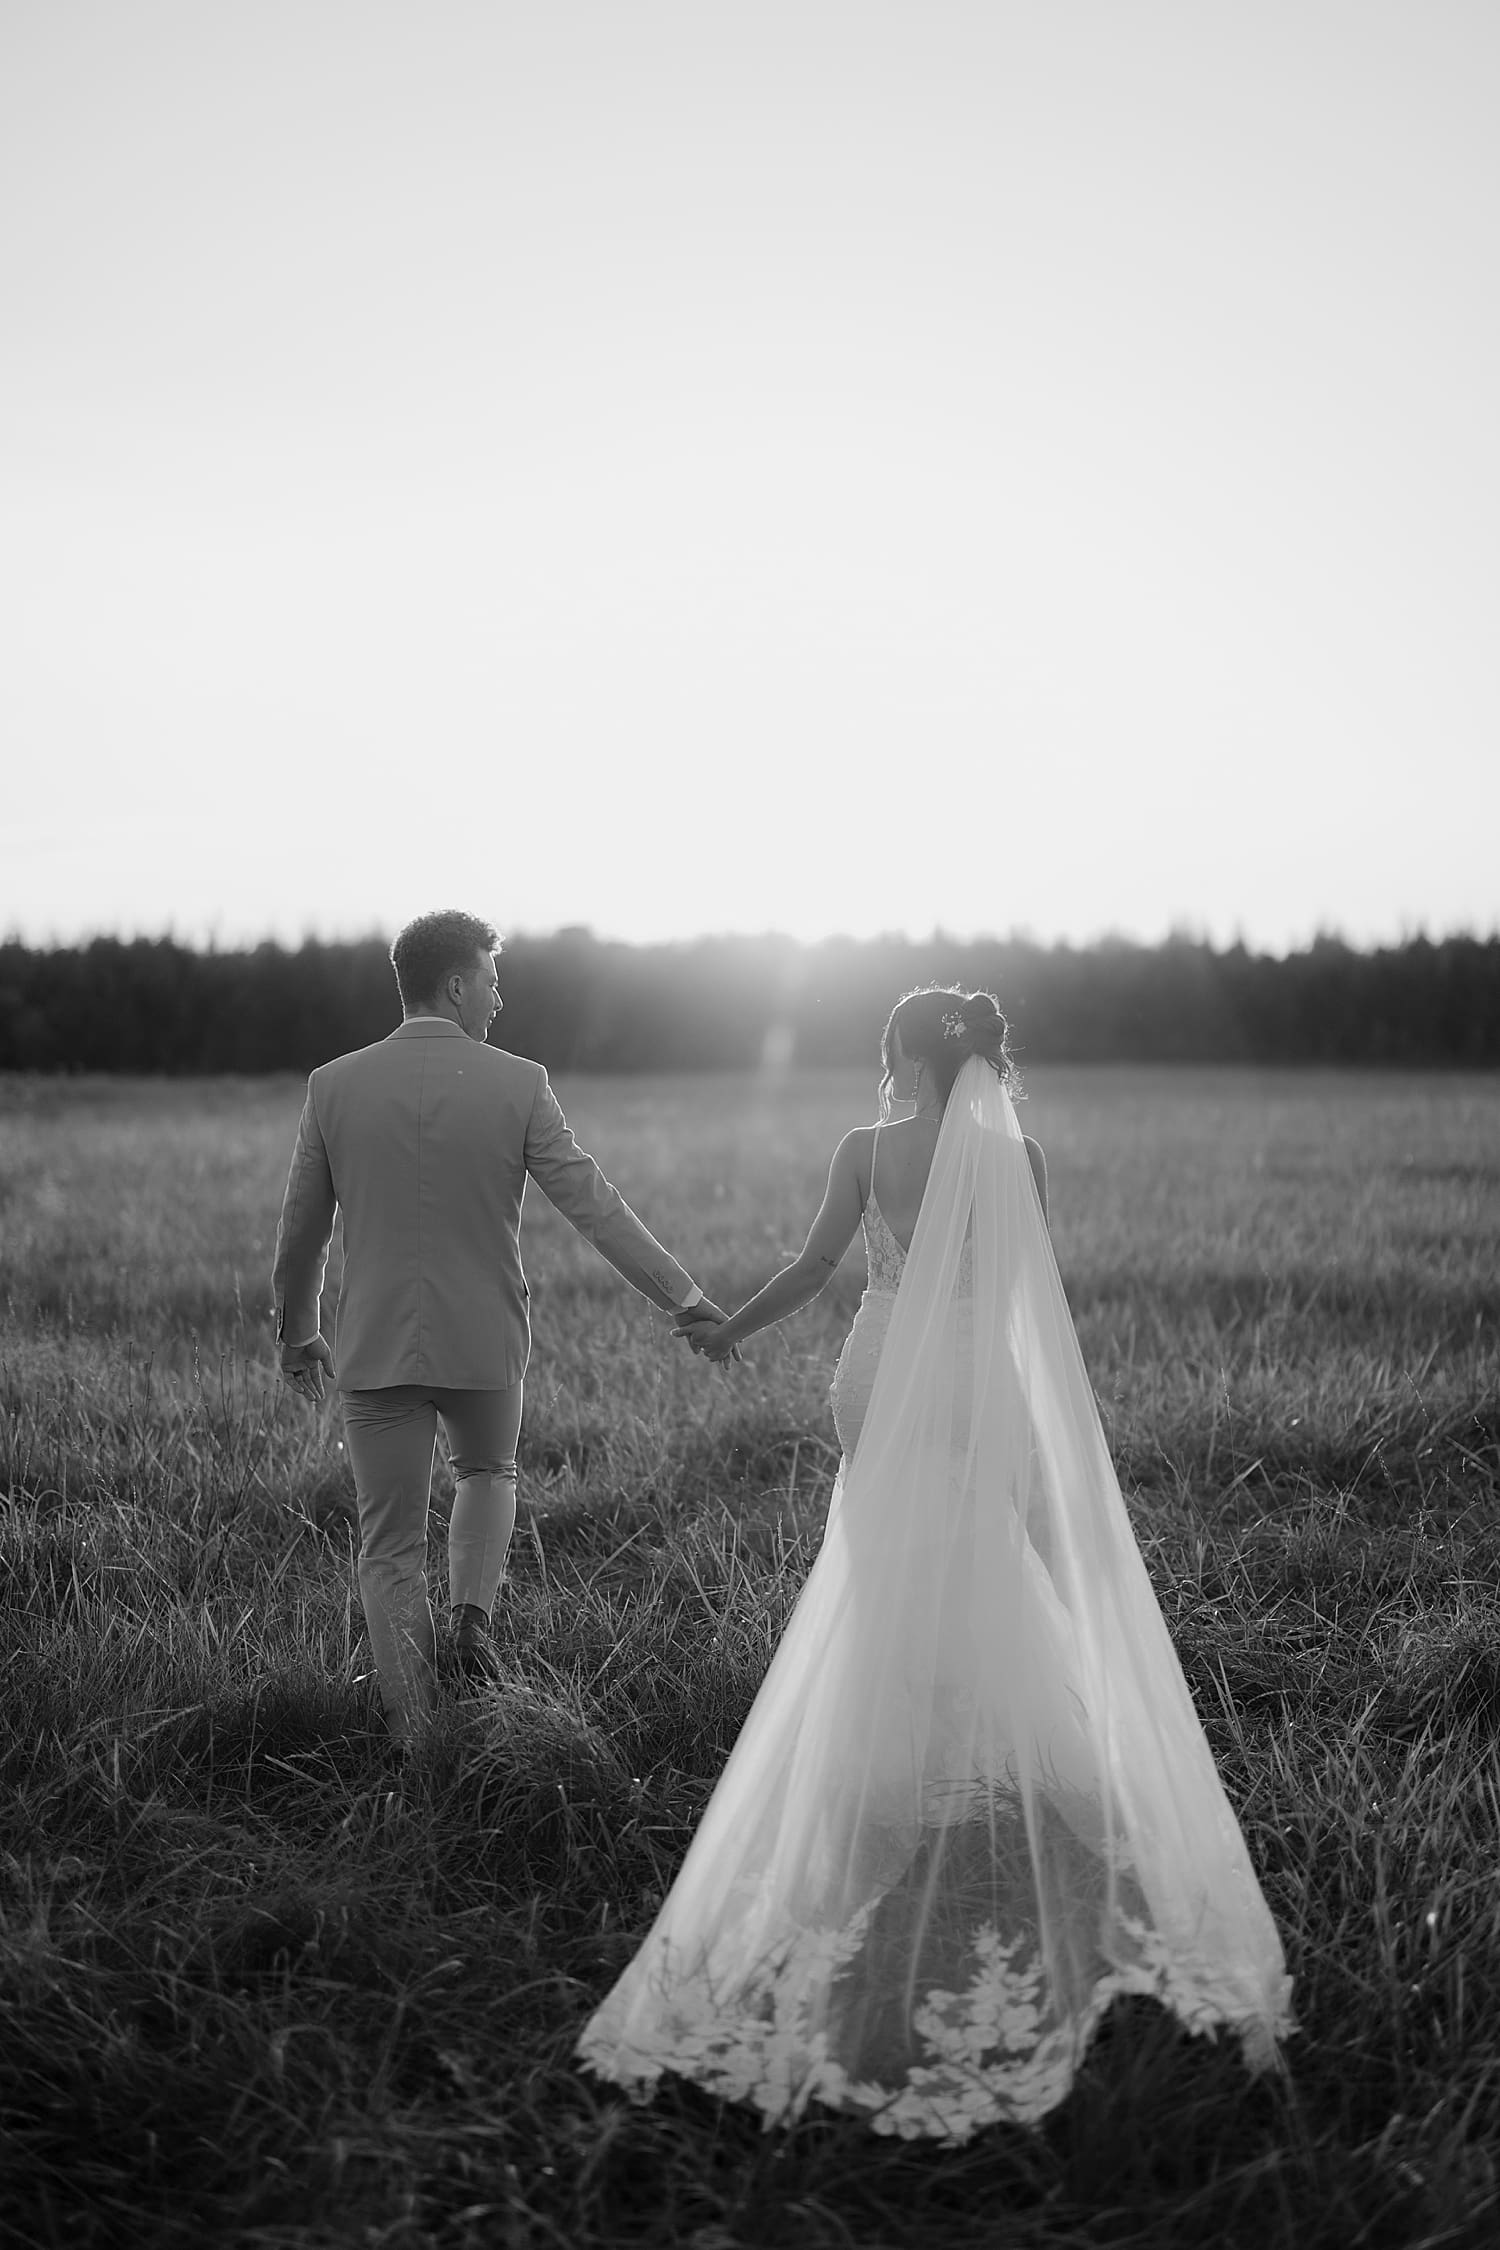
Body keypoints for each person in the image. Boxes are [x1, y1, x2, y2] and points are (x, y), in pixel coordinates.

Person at [577, 986, 1292, 2141]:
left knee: (886, 1558)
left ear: (906, 1054)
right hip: (979, 1375)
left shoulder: (864, 1148)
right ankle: (994, 1752)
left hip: (883, 1364)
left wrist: (727, 1329)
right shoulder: (1024, 1158)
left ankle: (897, 1756)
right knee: (987, 1555)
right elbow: (1023, 1295)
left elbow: (817, 1267)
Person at [272, 908, 729, 1748]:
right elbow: (597, 1207)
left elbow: (303, 1228)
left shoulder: (332, 1085)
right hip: (484, 1343)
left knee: (389, 1545)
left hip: (375, 1349)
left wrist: (300, 1332)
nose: (500, 996)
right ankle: (471, 1617)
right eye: (491, 977)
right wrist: (683, 1296)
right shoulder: (519, 1082)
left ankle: (415, 1734)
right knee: (489, 1469)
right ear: (456, 984)